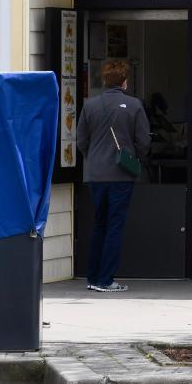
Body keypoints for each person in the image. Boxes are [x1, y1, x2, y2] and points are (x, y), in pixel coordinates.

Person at [77, 59, 150, 292]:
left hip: (96, 174)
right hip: (121, 174)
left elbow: (81, 141)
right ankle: (106, 280)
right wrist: (135, 157)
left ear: (105, 81)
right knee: (114, 226)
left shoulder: (90, 106)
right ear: (125, 81)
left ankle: (93, 277)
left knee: (99, 224)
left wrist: (94, 157)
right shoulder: (134, 105)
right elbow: (144, 141)